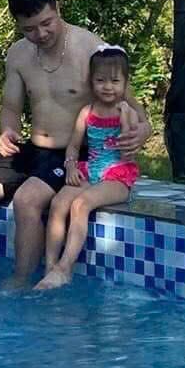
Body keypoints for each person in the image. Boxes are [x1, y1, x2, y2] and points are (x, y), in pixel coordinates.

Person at [0, 0, 149, 281]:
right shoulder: (18, 54)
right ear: (18, 25)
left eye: (46, 23)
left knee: (26, 199)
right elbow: (11, 107)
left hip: (73, 154)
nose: (40, 34)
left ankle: (20, 283)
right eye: (29, 29)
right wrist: (7, 131)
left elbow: (136, 109)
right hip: (31, 150)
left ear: (57, 8)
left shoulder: (90, 48)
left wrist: (142, 130)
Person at [35, 45, 145, 291]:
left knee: (80, 204)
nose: (108, 87)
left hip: (118, 174)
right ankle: (50, 267)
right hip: (91, 169)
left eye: (115, 81)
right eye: (100, 80)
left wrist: (126, 117)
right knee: (58, 203)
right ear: (91, 81)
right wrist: (71, 167)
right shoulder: (86, 112)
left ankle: (65, 268)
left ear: (125, 83)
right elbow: (73, 146)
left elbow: (127, 152)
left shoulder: (126, 112)